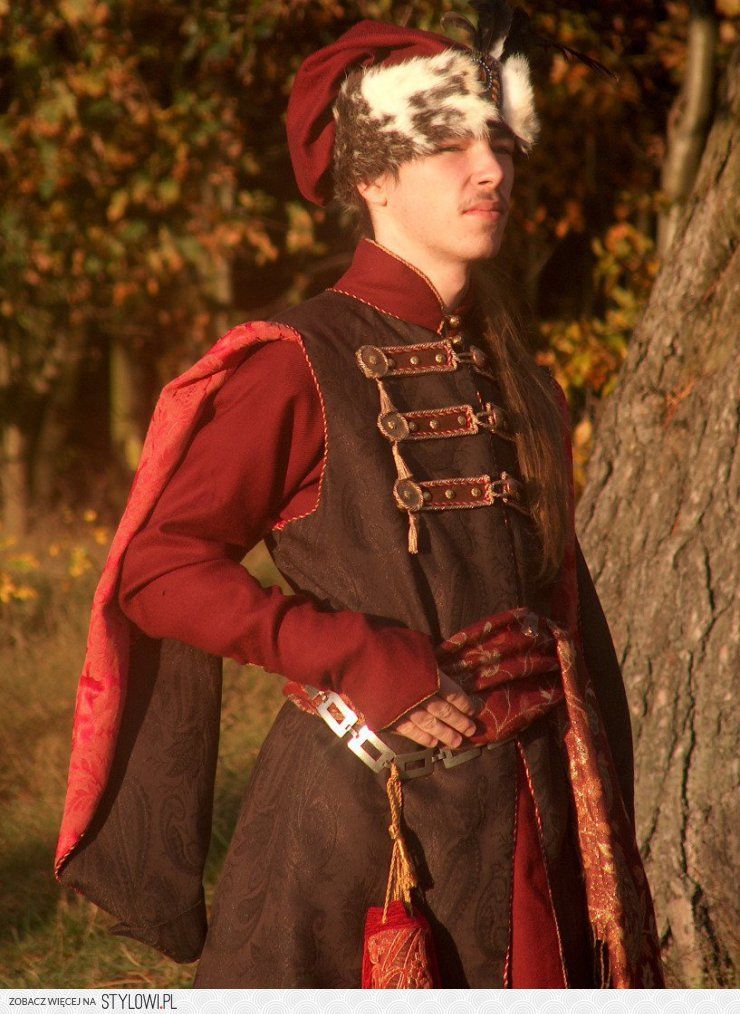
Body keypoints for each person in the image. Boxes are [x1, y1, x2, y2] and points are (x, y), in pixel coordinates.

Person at [54, 7, 665, 989]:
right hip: (358, 831)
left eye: (499, 144)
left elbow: (566, 617)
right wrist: (354, 655)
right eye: (449, 146)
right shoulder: (297, 363)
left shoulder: (522, 377)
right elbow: (159, 573)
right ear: (373, 177)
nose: (489, 171)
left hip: (535, 819)